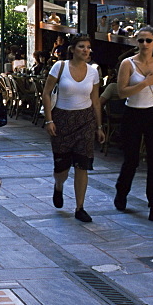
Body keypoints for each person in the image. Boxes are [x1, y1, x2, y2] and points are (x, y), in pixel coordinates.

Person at [113, 25, 153, 225]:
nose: (144, 44)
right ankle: (122, 191)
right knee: (131, 159)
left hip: (151, 114)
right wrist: (144, 83)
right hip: (132, 113)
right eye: (141, 40)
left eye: (148, 40)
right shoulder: (127, 64)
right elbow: (122, 92)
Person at [42, 35, 103, 223]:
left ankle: (80, 207)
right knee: (62, 167)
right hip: (62, 119)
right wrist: (49, 120)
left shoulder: (93, 72)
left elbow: (95, 100)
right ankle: (58, 185)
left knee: (82, 165)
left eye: (88, 47)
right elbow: (46, 92)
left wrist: (99, 126)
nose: (85, 50)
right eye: (81, 47)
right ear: (73, 49)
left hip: (85, 120)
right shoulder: (59, 67)